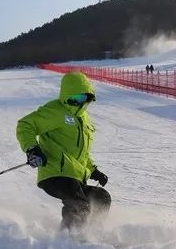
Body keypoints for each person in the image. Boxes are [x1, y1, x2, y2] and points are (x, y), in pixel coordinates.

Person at [16, 72, 111, 230]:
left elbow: (82, 153)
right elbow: (25, 125)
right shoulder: (55, 111)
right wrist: (32, 149)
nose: (78, 102)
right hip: (55, 173)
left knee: (101, 198)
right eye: (74, 98)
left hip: (75, 176)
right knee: (79, 204)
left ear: (89, 97)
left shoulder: (84, 119)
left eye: (83, 98)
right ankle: (69, 239)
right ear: (65, 95)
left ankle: (91, 232)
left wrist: (93, 170)